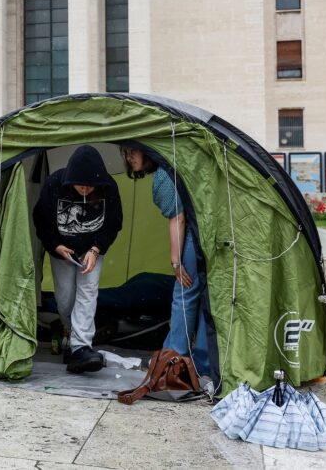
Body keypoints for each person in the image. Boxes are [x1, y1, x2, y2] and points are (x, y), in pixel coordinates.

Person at [33, 145, 123, 373]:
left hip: (92, 250)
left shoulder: (108, 187)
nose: (85, 189)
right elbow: (41, 221)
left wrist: (96, 249)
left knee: (88, 292)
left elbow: (113, 223)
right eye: (80, 184)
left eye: (90, 186)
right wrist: (55, 245)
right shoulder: (54, 184)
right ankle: (71, 333)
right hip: (62, 251)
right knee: (64, 297)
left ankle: (81, 347)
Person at [122, 147, 210, 377]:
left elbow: (178, 218)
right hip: (208, 233)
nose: (129, 157)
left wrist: (175, 262)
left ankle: (174, 355)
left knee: (184, 293)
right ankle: (201, 361)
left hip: (194, 232)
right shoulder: (172, 169)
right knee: (201, 298)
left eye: (131, 152)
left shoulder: (164, 174)